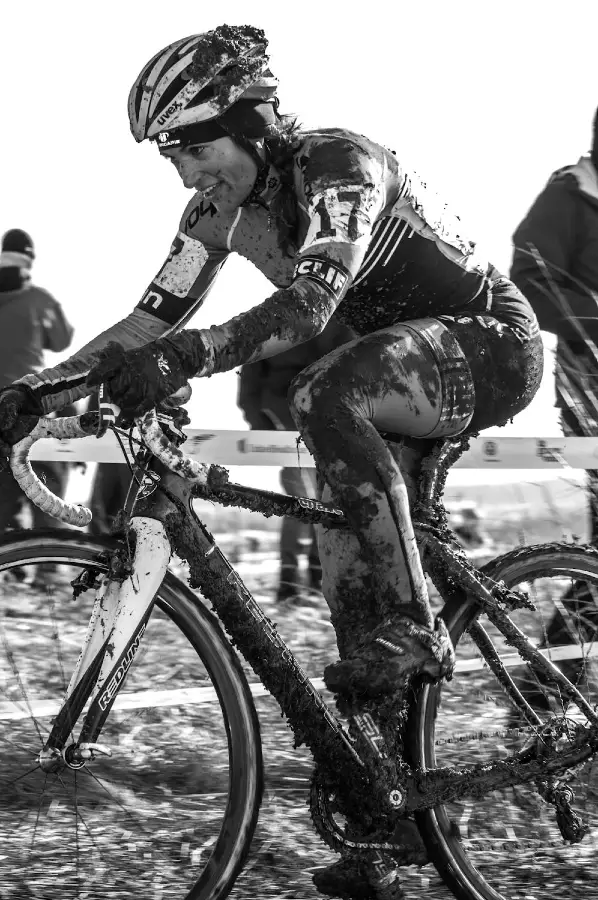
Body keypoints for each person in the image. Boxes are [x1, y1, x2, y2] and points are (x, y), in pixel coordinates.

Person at [0, 26, 543, 896]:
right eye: (172, 158)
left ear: (252, 123)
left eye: (197, 148)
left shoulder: (340, 166)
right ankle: (386, 823)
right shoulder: (214, 215)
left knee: (324, 393)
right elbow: (147, 325)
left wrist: (186, 360)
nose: (187, 174)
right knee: (345, 587)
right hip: (393, 373)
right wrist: (42, 390)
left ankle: (419, 624)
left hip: (492, 345)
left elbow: (311, 303)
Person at [510, 106, 598, 692]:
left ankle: (550, 689)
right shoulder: (571, 197)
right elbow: (528, 276)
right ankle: (547, 691)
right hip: (592, 389)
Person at [238, 317, 355, 602]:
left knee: (327, 502)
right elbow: (251, 379)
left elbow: (354, 365)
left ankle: (317, 582)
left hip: (331, 420)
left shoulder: (339, 318)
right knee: (301, 501)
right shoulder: (275, 317)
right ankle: (291, 586)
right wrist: (265, 430)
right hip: (286, 423)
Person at [0, 228, 74, 534]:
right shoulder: (38, 299)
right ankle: (49, 570)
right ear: (29, 259)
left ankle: (12, 573)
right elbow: (62, 339)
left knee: (3, 505)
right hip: (33, 406)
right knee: (48, 491)